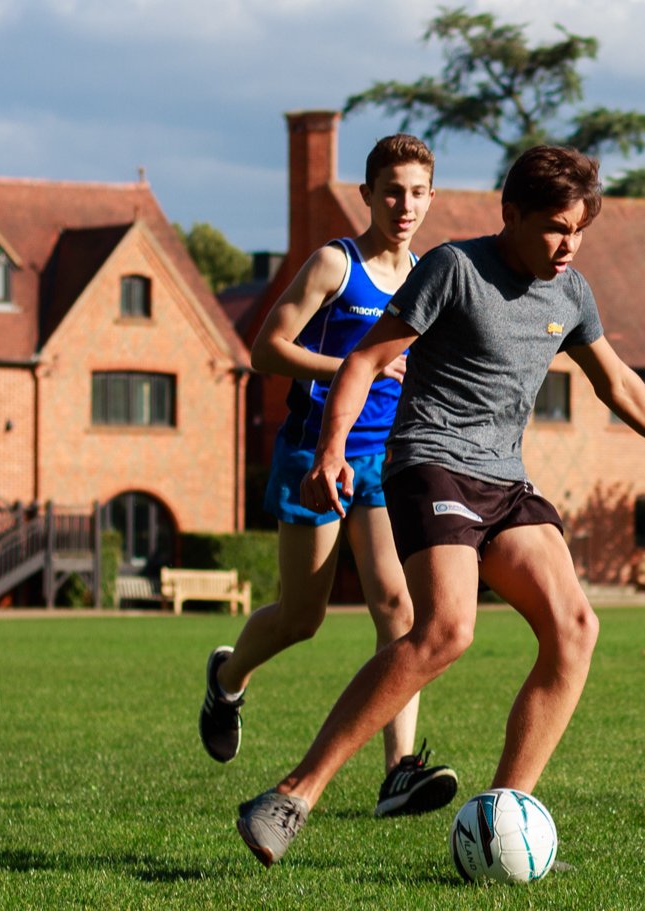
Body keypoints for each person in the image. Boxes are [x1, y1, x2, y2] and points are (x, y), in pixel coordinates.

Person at [234, 146, 645, 866]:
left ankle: (502, 816)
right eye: (553, 228)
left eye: (579, 230)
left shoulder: (571, 293)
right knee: (446, 629)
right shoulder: (453, 267)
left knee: (576, 627)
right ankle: (292, 795)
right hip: (431, 463)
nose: (568, 244)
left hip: (505, 478)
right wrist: (330, 451)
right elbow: (363, 359)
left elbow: (617, 383)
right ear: (510, 214)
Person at [199, 134, 459, 819]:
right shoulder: (335, 266)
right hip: (316, 453)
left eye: (418, 192)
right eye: (393, 191)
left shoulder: (431, 274)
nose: (405, 205)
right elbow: (265, 350)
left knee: (400, 611)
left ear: (432, 198)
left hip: (387, 459)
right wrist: (357, 366)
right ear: (368, 194)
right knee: (301, 617)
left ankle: (399, 772)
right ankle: (226, 679)